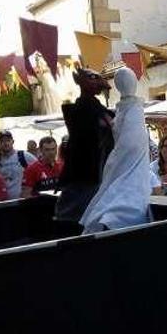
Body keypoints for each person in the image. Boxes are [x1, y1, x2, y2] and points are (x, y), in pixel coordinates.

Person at [80, 67, 152, 233]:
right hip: (127, 158)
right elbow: (131, 143)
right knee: (121, 195)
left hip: (123, 158)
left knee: (115, 190)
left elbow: (128, 140)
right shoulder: (131, 110)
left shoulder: (126, 110)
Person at [56, 67, 114, 225]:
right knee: (73, 218)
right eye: (92, 78)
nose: (96, 82)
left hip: (99, 172)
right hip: (84, 173)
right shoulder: (81, 110)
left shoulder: (100, 111)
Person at [0, 130, 37, 200]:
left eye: (8, 140)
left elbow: (39, 170)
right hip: (3, 203)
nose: (5, 143)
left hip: (23, 201)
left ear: (12, 141)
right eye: (1, 141)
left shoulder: (24, 156)